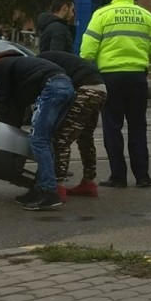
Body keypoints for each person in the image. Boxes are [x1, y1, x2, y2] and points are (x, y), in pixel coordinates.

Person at [79, 0, 151, 189]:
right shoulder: (145, 15)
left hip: (110, 77)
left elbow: (87, 50)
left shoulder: (102, 15)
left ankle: (118, 176)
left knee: (112, 126)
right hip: (137, 77)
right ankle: (143, 176)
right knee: (137, 126)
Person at [0, 50, 74, 210]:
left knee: (39, 140)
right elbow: (17, 106)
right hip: (65, 86)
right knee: (45, 140)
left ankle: (49, 192)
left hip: (52, 88)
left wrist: (3, 130)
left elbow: (3, 100)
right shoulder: (13, 66)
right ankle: (40, 189)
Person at [39, 50, 108, 197]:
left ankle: (57, 187)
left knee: (62, 139)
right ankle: (89, 182)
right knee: (85, 137)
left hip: (85, 91)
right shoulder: (51, 57)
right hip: (100, 89)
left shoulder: (40, 64)